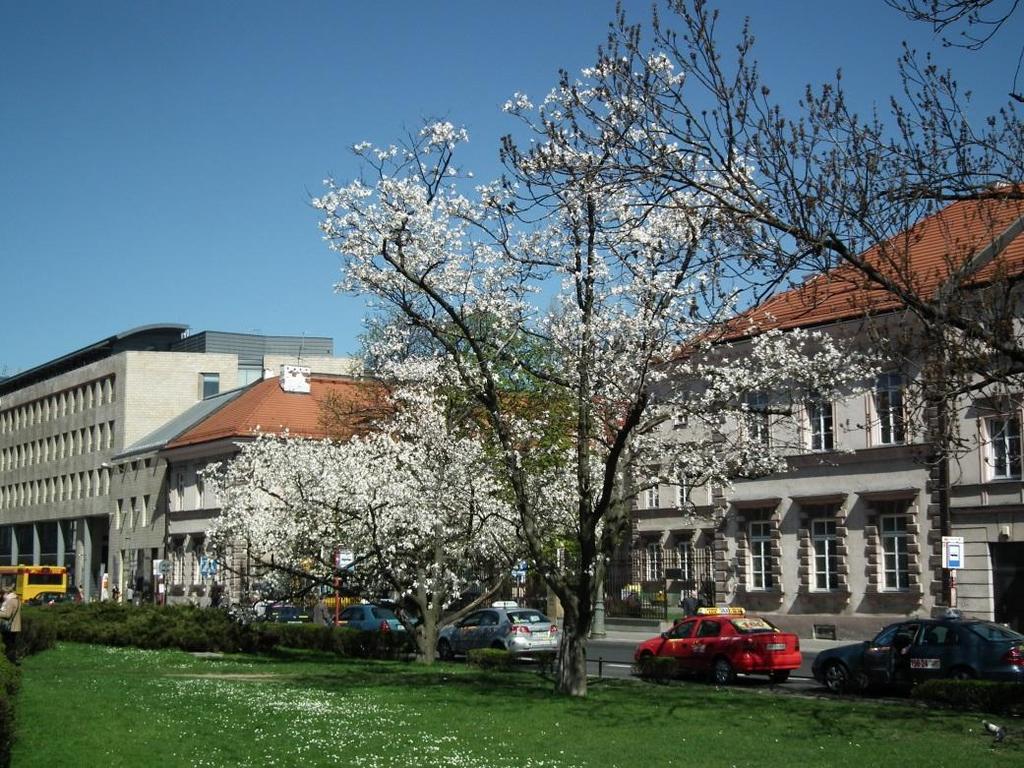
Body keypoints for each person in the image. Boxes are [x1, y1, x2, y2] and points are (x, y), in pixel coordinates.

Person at [0, 582, 22, 665]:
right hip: (15, 626)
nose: (2, 596)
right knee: (12, 644)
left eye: (3, 594)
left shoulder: (10, 601)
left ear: (7, 593)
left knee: (8, 645)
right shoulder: (17, 599)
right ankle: (13, 660)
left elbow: (7, 615)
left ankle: (10, 662)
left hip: (9, 627)